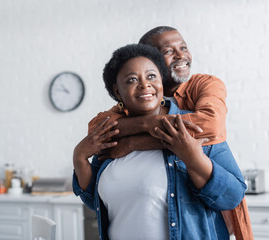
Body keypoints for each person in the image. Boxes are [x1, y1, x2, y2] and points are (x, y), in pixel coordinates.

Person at [87, 26, 252, 240]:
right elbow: (96, 131)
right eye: (168, 51)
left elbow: (209, 126)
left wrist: (133, 143)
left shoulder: (204, 86)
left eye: (183, 47)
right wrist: (80, 156)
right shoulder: (122, 113)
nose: (181, 54)